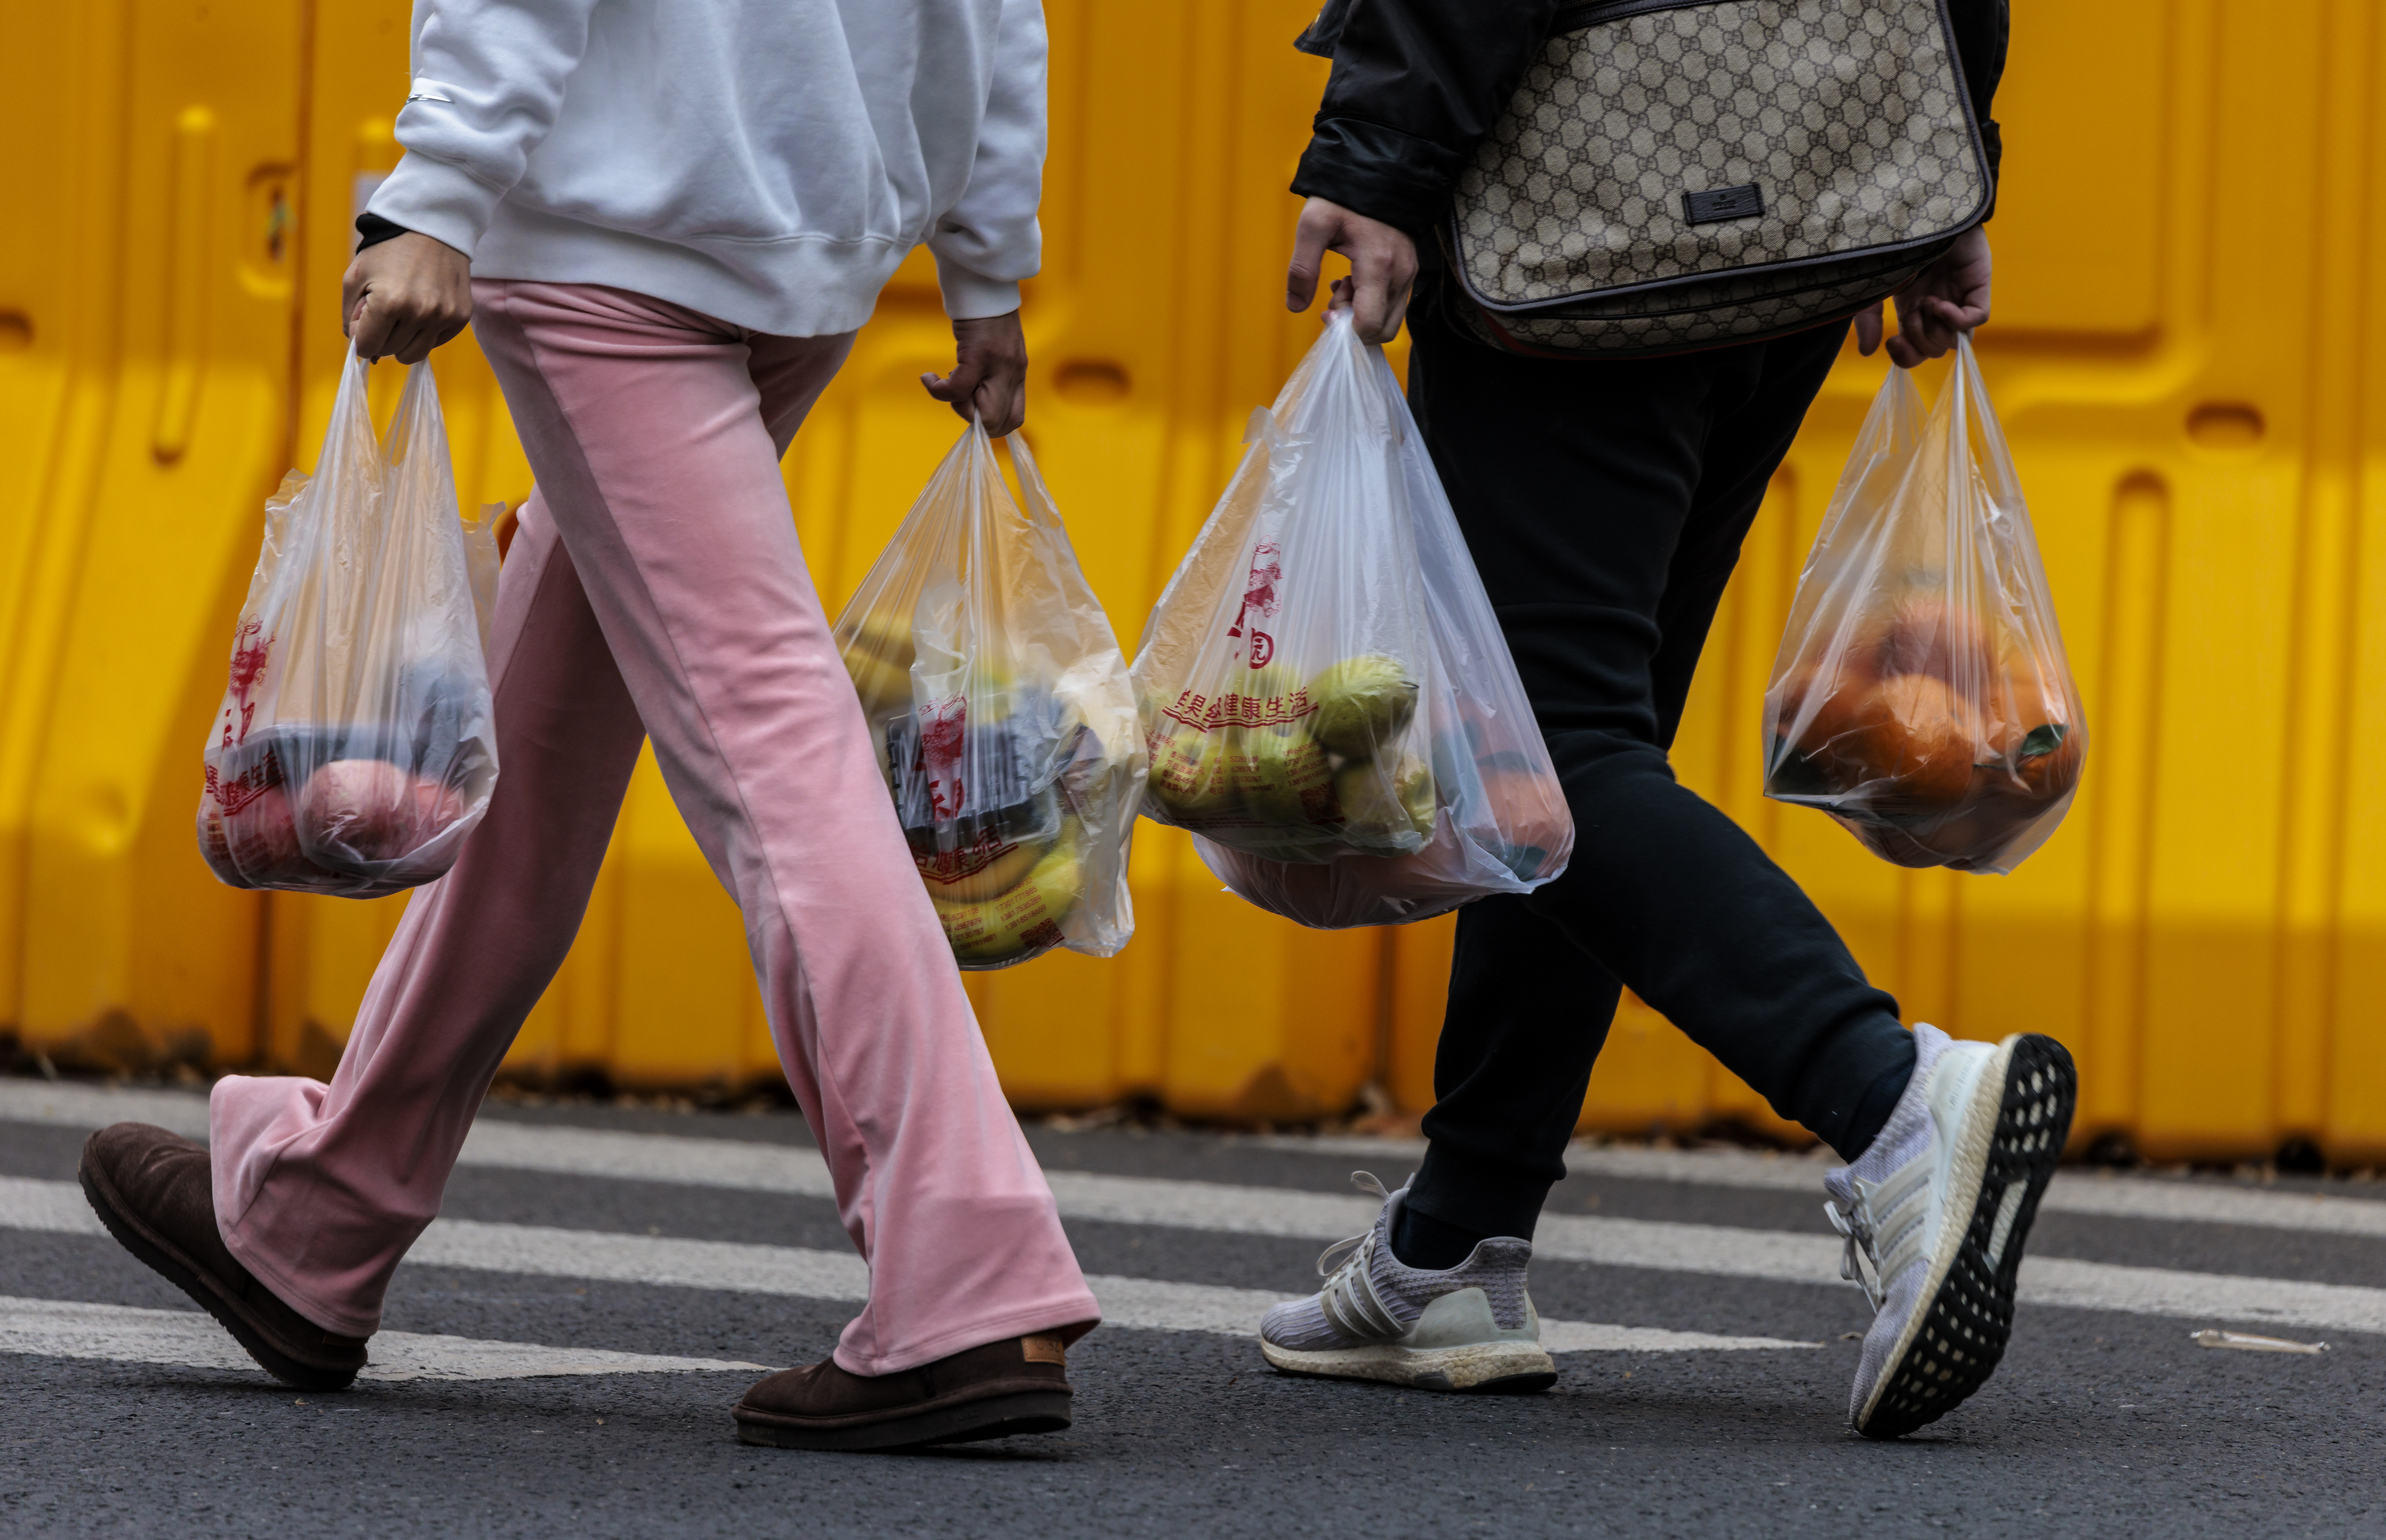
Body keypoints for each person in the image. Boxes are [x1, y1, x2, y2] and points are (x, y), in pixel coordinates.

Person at [77, 0, 1100, 1454]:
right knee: (545, 735)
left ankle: (964, 1273)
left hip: (621, 236)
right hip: (810, 243)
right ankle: (325, 1211)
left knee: (771, 750)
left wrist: (435, 189)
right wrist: (988, 259)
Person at [1255, 0, 2078, 1439]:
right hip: (1802, 214)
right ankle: (1458, 1236)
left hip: (1581, 229)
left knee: (1542, 742)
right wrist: (1945, 158)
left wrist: (1379, 158)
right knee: (1573, 740)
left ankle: (1891, 1098)